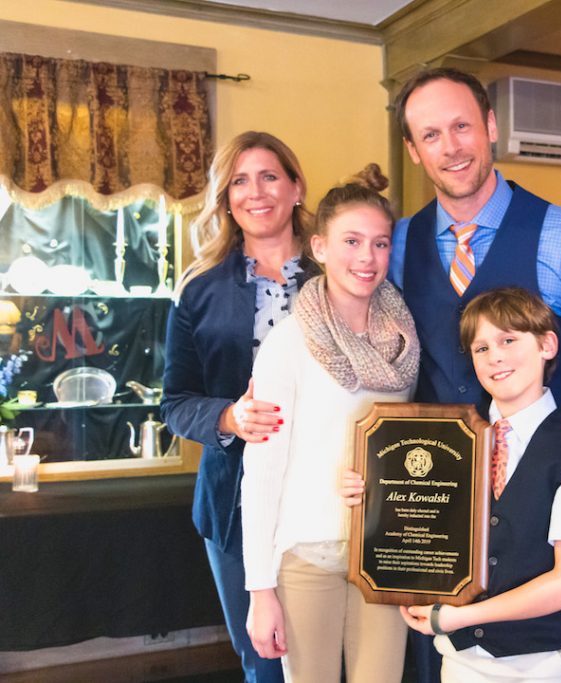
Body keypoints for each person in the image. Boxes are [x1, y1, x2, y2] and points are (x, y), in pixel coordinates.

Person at [389, 66, 561, 683]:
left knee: (542, 653)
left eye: (462, 125)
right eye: (431, 134)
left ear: (491, 126)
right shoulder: (397, 244)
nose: (451, 146)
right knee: (438, 659)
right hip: (436, 503)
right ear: (414, 151)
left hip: (539, 503)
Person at [241, 164, 419, 683]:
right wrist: (260, 590)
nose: (367, 257)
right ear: (319, 247)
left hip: (384, 553)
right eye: (352, 240)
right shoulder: (289, 343)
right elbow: (263, 472)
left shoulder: (404, 341)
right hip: (306, 557)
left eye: (381, 243)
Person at [162, 131, 316, 682]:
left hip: (334, 498)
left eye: (270, 176)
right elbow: (176, 403)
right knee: (266, 658)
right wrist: (229, 418)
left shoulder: (343, 274)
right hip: (234, 505)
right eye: (239, 181)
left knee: (338, 656)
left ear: (296, 187)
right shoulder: (197, 289)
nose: (256, 192)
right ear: (226, 199)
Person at [393, 286, 561, 682]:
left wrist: (464, 616)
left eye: (508, 340)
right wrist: (368, 494)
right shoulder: (450, 440)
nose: (496, 357)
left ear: (548, 345)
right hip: (458, 665)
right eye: (481, 348)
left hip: (542, 667)